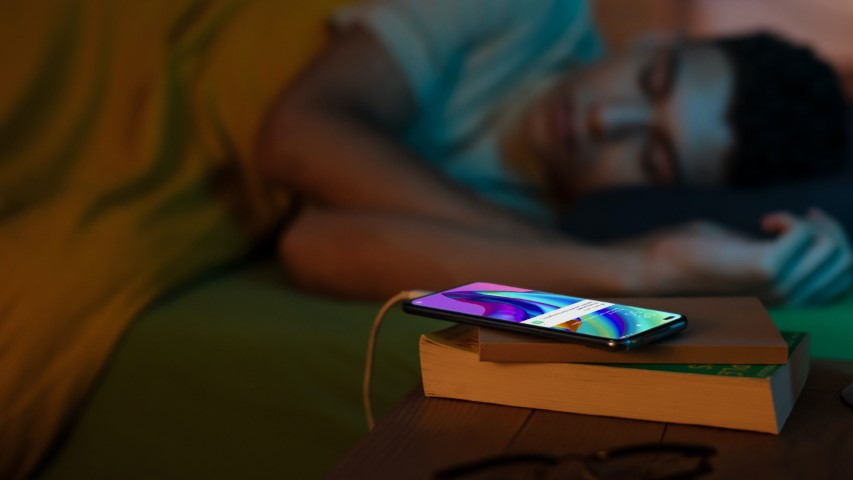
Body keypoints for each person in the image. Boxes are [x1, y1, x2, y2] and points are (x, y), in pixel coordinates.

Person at [255, 0, 852, 304]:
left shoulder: (556, 214)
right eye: (650, 82)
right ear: (652, 42)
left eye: (652, 157)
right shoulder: (529, 11)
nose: (604, 121)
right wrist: (548, 252)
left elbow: (312, 246)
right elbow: (299, 135)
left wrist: (641, 271)